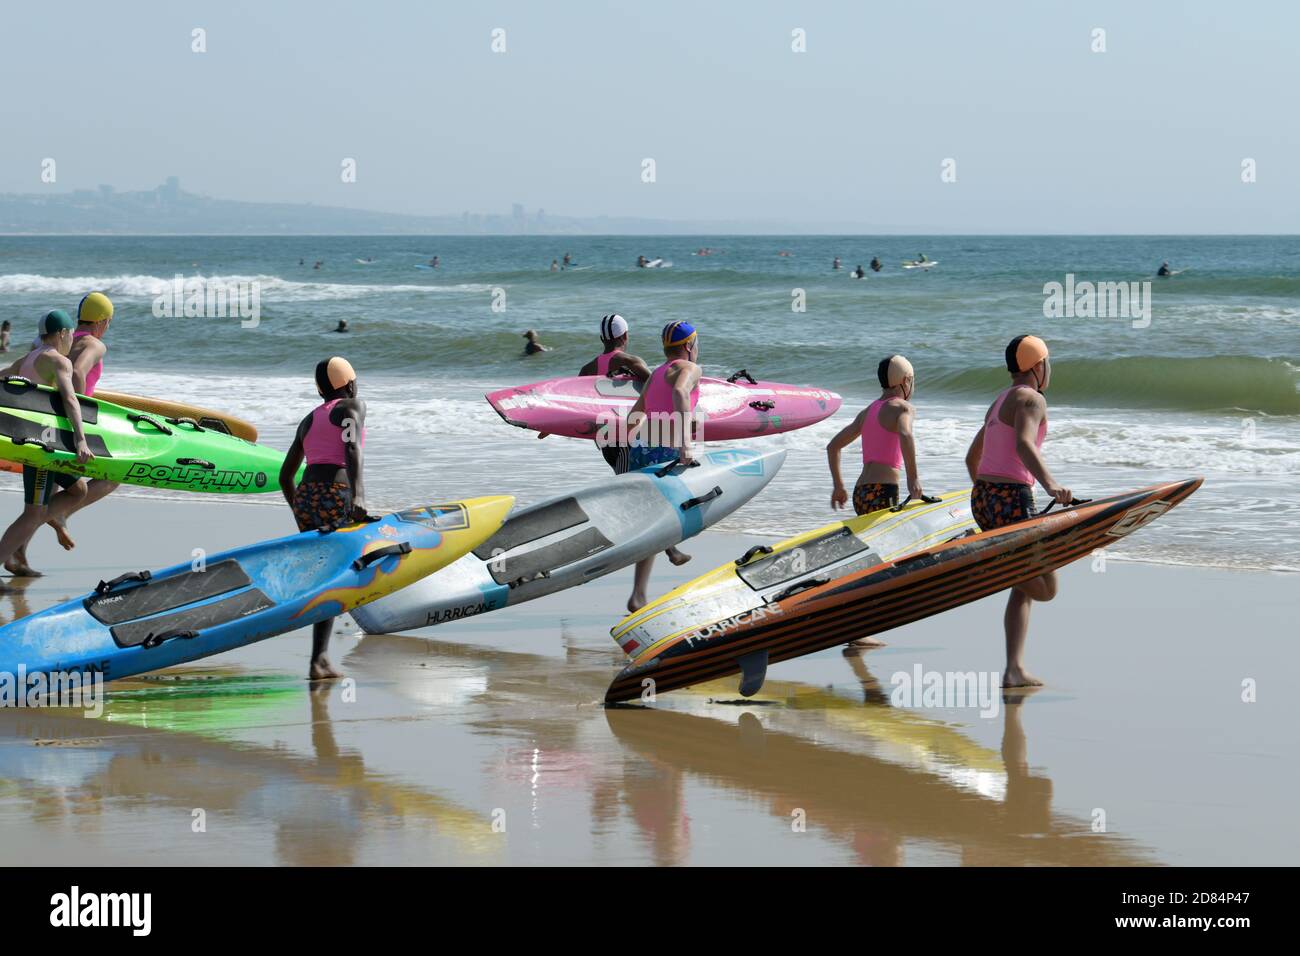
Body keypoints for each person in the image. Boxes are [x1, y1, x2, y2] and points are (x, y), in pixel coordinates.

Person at [963, 335, 1071, 688]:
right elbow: (1025, 444)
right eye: (1047, 362)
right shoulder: (1031, 398)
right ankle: (984, 563)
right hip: (1012, 499)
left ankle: (1014, 669)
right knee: (1047, 586)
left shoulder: (999, 401)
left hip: (984, 498)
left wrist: (985, 494)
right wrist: (1051, 485)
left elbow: (971, 457)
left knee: (1023, 584)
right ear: (1037, 366)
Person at [3, 294, 118, 575]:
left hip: (40, 438)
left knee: (77, 489)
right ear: (64, 333)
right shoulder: (62, 360)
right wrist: (82, 435)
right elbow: (70, 397)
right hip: (45, 445)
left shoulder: (26, 357)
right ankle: (43, 523)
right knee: (33, 513)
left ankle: (51, 519)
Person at [279, 357, 370, 680]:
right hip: (336, 494)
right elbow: (352, 451)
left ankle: (320, 658)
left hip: (307, 496)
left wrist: (299, 511)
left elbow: (285, 476)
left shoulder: (308, 419)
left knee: (325, 572)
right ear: (349, 383)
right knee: (339, 570)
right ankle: (320, 658)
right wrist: (358, 495)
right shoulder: (351, 406)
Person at [619, 321, 702, 610]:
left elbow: (635, 413)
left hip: (642, 448)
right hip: (664, 450)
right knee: (666, 514)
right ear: (690, 345)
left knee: (655, 515)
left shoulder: (655, 374)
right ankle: (664, 558)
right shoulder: (690, 369)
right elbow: (680, 393)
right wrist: (686, 443)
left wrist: (624, 447)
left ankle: (646, 585)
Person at [827, 355, 922, 515]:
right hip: (883, 491)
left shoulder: (867, 412)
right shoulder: (903, 408)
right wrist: (913, 479)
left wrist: (838, 486)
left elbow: (833, 446)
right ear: (906, 381)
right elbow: (905, 434)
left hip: (860, 494)